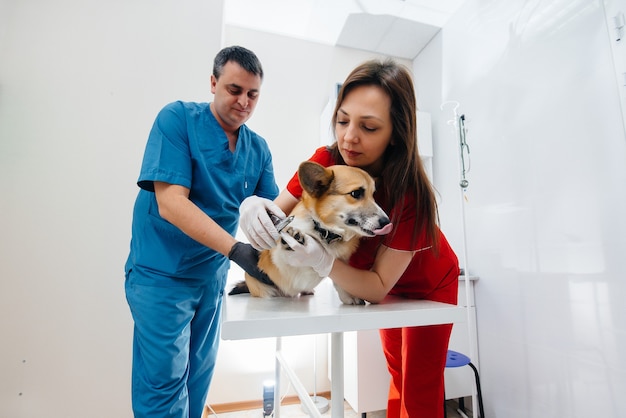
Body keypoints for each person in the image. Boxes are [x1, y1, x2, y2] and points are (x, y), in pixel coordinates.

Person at [239, 59, 459, 418]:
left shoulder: (409, 194)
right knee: (397, 371)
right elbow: (277, 214)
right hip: (386, 285)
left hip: (428, 284)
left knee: (419, 384)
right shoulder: (327, 163)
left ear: (396, 134)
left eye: (368, 127)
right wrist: (254, 208)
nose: (348, 137)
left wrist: (323, 262)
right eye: (343, 120)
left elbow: (376, 287)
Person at [124, 45, 283, 418]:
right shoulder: (176, 120)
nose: (244, 101)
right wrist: (238, 250)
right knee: (163, 387)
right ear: (213, 83)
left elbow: (276, 212)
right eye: (234, 89)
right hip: (161, 277)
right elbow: (171, 202)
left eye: (253, 94)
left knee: (197, 381)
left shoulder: (257, 149)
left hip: (210, 279)